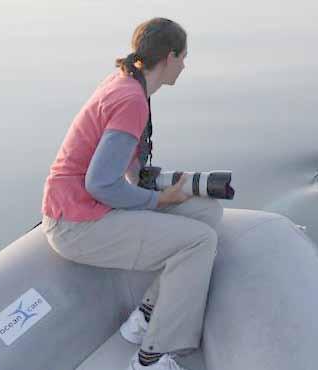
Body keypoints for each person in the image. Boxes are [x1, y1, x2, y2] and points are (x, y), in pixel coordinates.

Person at [40, 17, 223, 370]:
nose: (185, 65)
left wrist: (164, 184)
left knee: (206, 213)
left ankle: (144, 317)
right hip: (77, 222)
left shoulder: (127, 84)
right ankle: (152, 357)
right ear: (169, 57)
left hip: (87, 208)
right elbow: (100, 184)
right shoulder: (131, 100)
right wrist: (159, 200)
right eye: (183, 57)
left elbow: (124, 169)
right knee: (198, 242)